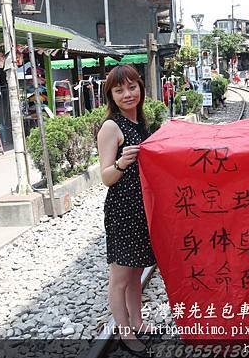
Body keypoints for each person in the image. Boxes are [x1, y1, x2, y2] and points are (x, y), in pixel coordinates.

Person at [97, 65, 156, 354]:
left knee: (136, 272)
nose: (127, 94)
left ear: (140, 89)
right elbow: (105, 177)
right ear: (111, 95)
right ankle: (124, 331)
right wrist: (121, 163)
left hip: (142, 208)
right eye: (119, 90)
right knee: (120, 277)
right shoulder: (112, 126)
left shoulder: (142, 123)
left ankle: (138, 321)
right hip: (123, 210)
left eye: (131, 87)